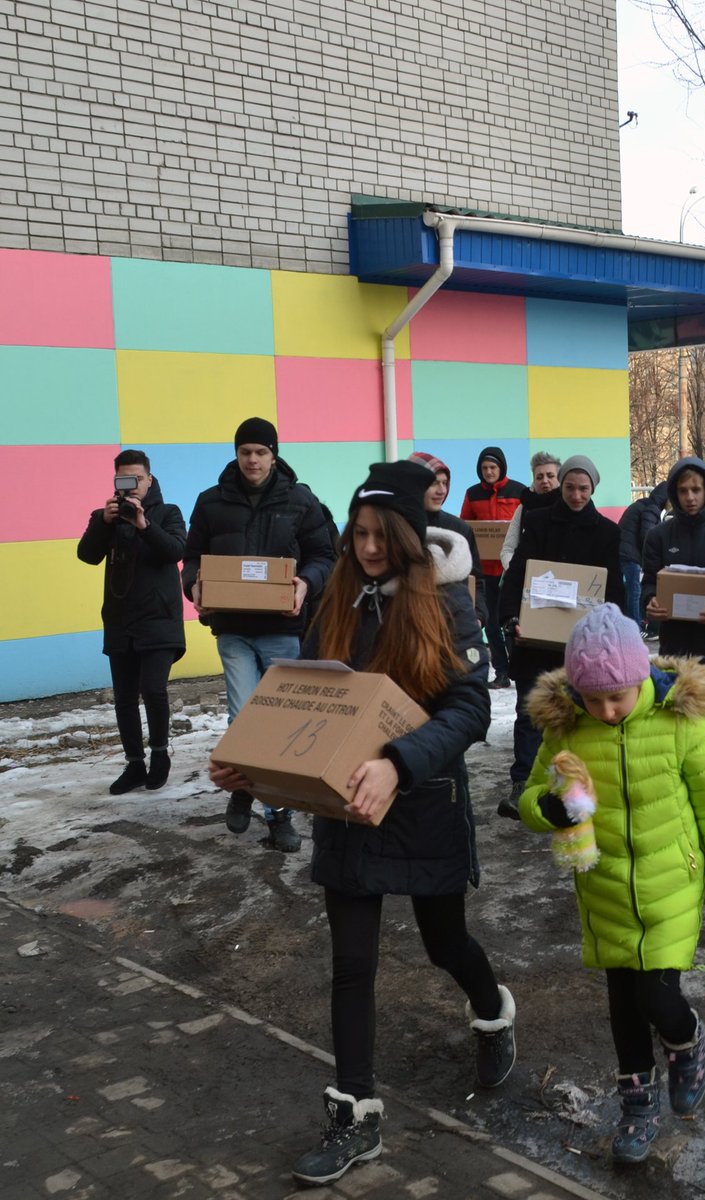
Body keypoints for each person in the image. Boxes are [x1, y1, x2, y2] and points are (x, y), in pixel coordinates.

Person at [210, 459, 516, 1186]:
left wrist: (398, 764)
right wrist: (250, 772)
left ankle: (492, 1008)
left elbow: (470, 708)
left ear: (410, 536)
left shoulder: (448, 604)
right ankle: (356, 1115)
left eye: (382, 533)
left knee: (446, 944)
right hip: (344, 808)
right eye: (360, 532)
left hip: (422, 806)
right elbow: (304, 703)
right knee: (351, 964)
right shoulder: (336, 600)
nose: (368, 546)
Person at [519, 604, 705, 1164]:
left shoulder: (683, 726)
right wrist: (549, 808)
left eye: (616, 696)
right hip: (603, 889)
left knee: (657, 995)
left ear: (642, 678)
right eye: (592, 697)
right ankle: (637, 1108)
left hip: (671, 883)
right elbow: (530, 796)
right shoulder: (567, 728)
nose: (604, 709)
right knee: (623, 1007)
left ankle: (686, 1038)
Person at [183, 417, 336, 852]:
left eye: (261, 452)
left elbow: (325, 555)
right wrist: (193, 584)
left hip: (282, 629)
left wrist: (306, 583)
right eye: (246, 451)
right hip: (232, 628)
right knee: (243, 715)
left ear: (274, 454)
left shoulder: (300, 500)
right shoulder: (211, 502)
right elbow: (192, 557)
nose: (253, 459)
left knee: (276, 720)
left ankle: (274, 811)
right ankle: (250, 793)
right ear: (236, 453)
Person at [498, 455, 626, 818]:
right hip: (533, 643)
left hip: (582, 647)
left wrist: (611, 633)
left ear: (593, 489)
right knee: (530, 715)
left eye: (583, 489)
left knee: (578, 716)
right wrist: (510, 618)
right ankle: (523, 785)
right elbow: (519, 571)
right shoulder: (537, 522)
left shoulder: (607, 533)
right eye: (570, 487)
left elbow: (613, 589)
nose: (575, 495)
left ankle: (575, 788)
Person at [77, 450, 187, 794]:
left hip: (159, 620)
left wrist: (143, 525)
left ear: (149, 480)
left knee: (152, 688)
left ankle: (159, 755)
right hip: (120, 621)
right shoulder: (106, 518)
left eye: (137, 479)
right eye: (123, 480)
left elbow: (175, 551)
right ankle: (134, 764)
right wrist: (103, 523)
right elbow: (87, 555)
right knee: (124, 697)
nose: (132, 486)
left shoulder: (168, 513)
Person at [641, 457, 705, 749]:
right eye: (683, 491)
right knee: (677, 722)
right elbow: (648, 584)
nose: (690, 497)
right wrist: (650, 602)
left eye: (696, 489)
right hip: (675, 647)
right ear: (674, 493)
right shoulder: (659, 535)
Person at [460, 446, 526, 689]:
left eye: (493, 467)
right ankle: (501, 671)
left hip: (511, 570)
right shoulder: (472, 493)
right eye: (485, 468)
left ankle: (519, 667)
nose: (489, 472)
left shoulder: (518, 491)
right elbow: (465, 527)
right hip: (484, 571)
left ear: (501, 468)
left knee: (513, 622)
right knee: (492, 625)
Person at [408, 450, 487, 627]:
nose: (442, 490)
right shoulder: (399, 527)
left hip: (454, 627)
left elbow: (476, 579)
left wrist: (478, 616)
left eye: (445, 483)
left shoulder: (459, 529)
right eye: (434, 484)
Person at [618, 482, 669, 633]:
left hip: (623, 549)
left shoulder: (644, 504)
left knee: (629, 589)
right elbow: (647, 537)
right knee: (635, 590)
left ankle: (630, 622)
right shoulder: (652, 509)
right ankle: (636, 626)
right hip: (630, 553)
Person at [499, 450, 562, 569]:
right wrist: (518, 573)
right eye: (539, 477)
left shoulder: (568, 508)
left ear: (560, 479)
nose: (544, 481)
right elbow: (507, 550)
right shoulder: (524, 508)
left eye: (550, 476)